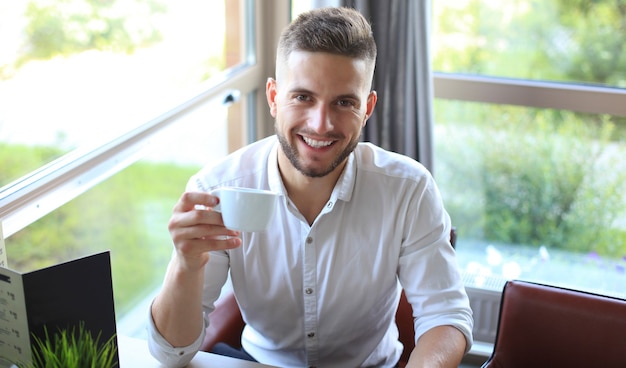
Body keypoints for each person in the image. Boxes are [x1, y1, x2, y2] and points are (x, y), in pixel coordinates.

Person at [148, 6, 473, 368]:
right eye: (303, 97)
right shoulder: (218, 189)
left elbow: (446, 317)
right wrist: (185, 264)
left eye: (344, 102)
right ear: (274, 98)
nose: (321, 124)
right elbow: (171, 353)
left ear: (367, 108)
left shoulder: (408, 190)